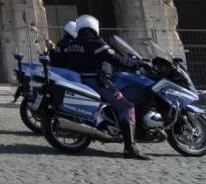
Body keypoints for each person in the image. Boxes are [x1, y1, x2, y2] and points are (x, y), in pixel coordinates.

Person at [61, 14, 149, 160]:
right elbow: (117, 60)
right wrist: (137, 63)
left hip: (79, 81)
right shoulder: (96, 43)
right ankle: (130, 148)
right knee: (127, 107)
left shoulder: (70, 45)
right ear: (94, 27)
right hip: (95, 81)